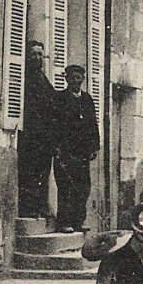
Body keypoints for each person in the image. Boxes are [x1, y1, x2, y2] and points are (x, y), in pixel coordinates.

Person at [54, 65, 100, 233]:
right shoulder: (59, 98)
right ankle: (64, 222)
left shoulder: (87, 99)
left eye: (78, 78)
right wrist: (57, 147)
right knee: (65, 186)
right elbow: (54, 125)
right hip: (65, 150)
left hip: (82, 151)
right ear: (66, 79)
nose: (75, 81)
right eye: (72, 78)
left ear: (83, 79)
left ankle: (78, 221)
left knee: (83, 187)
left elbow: (93, 123)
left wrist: (94, 146)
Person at [19, 41, 57, 218]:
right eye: (33, 54)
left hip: (44, 137)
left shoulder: (42, 77)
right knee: (30, 173)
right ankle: (29, 208)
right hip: (31, 136)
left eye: (40, 54)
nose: (37, 58)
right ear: (27, 56)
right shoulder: (25, 78)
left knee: (42, 173)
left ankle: (41, 207)